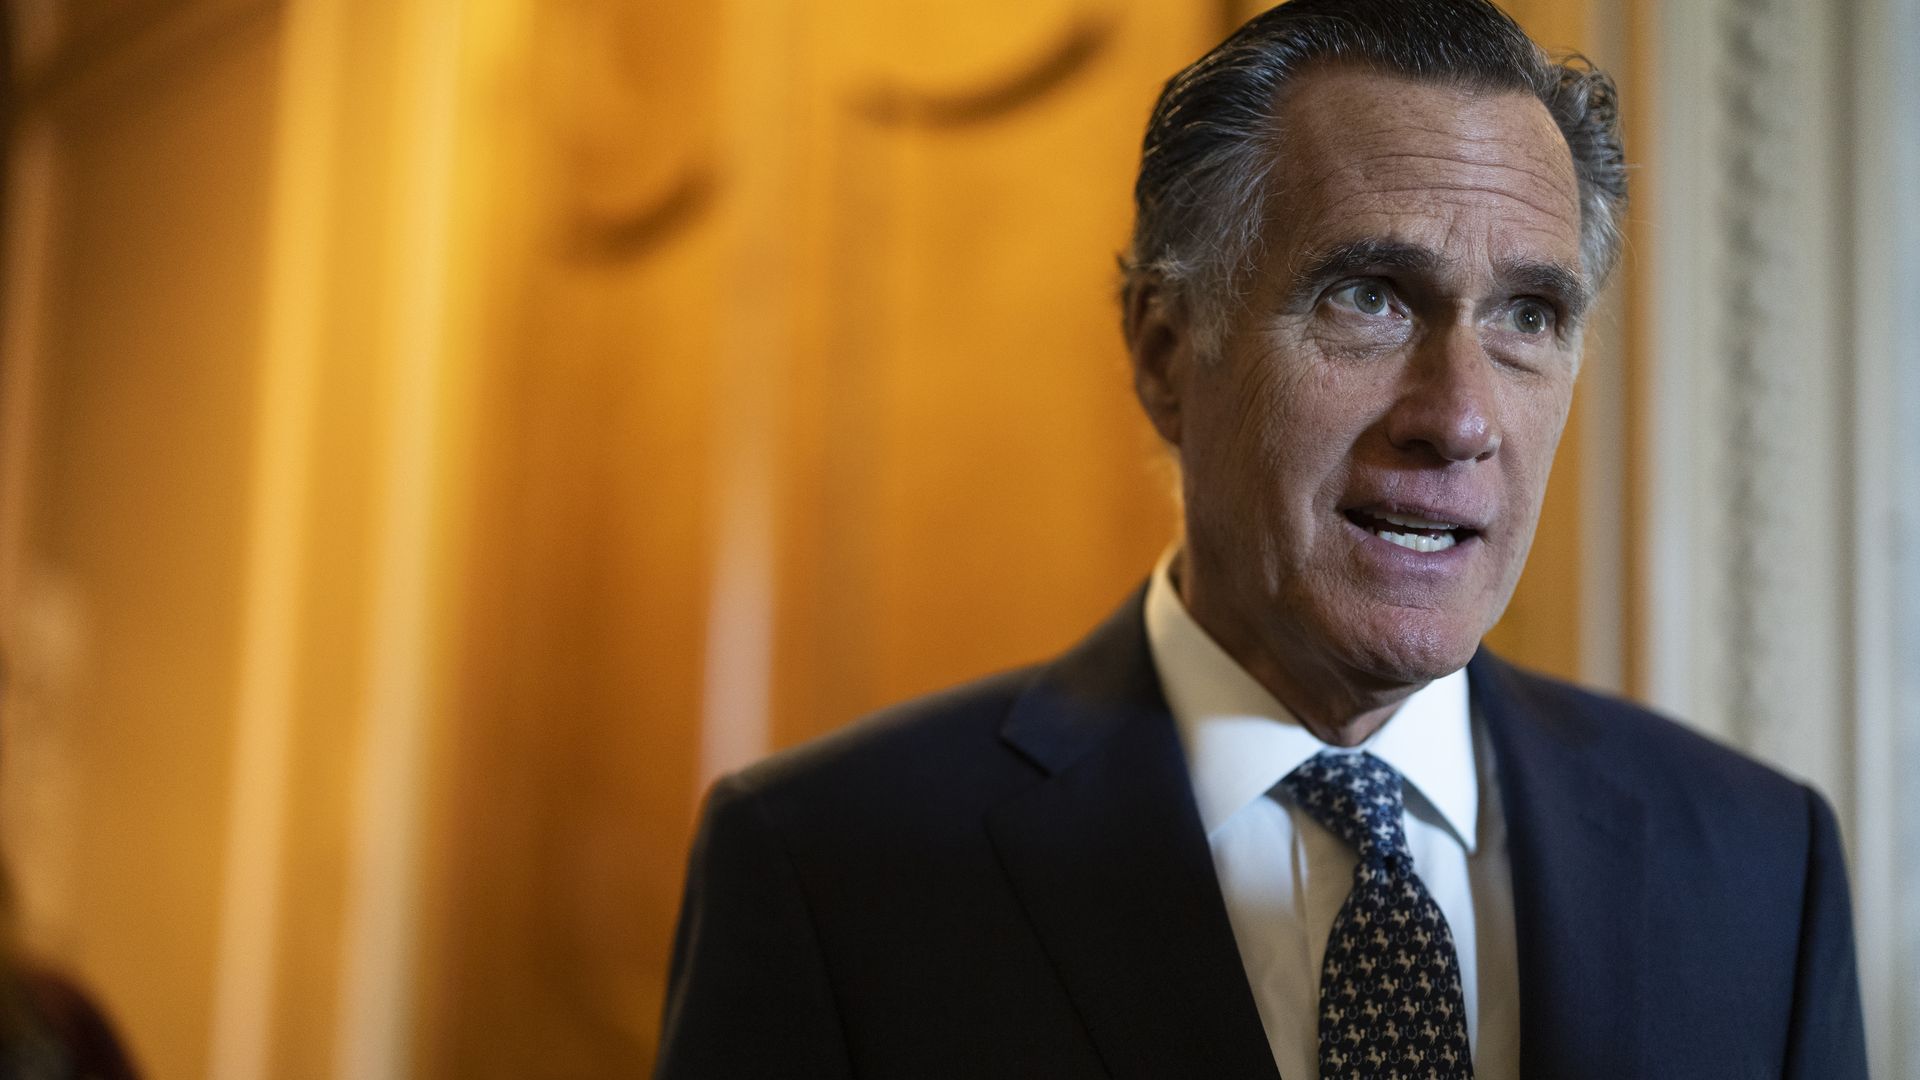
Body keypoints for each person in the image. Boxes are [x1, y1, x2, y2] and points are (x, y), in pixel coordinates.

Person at [654, 0, 1869, 1076]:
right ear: (1166, 351)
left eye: (1529, 316)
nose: (1457, 417)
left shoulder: (1765, 867)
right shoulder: (832, 869)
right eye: (1369, 297)